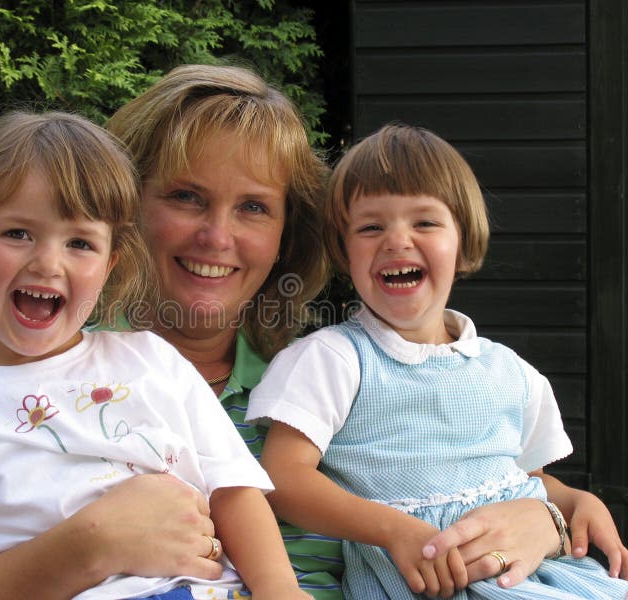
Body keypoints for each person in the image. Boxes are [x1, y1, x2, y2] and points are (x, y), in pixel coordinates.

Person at [0, 65, 573, 600]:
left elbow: (469, 480)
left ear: (285, 237)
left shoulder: (326, 386)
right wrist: (88, 545)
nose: (218, 236)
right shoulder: (34, 388)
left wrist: (550, 520)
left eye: (253, 208)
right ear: (123, 214)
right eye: (186, 196)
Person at [0, 110, 309, 600]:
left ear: (109, 264)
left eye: (79, 243)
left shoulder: (152, 361)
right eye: (18, 234)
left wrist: (281, 591)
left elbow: (234, 492)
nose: (48, 263)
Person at [247, 122, 628, 599]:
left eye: (424, 222)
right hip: (421, 580)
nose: (396, 240)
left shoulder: (511, 372)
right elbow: (282, 477)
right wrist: (392, 530)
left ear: (463, 240)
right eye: (371, 227)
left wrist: (576, 501)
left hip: (530, 575)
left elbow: (527, 480)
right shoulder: (334, 358)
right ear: (344, 252)